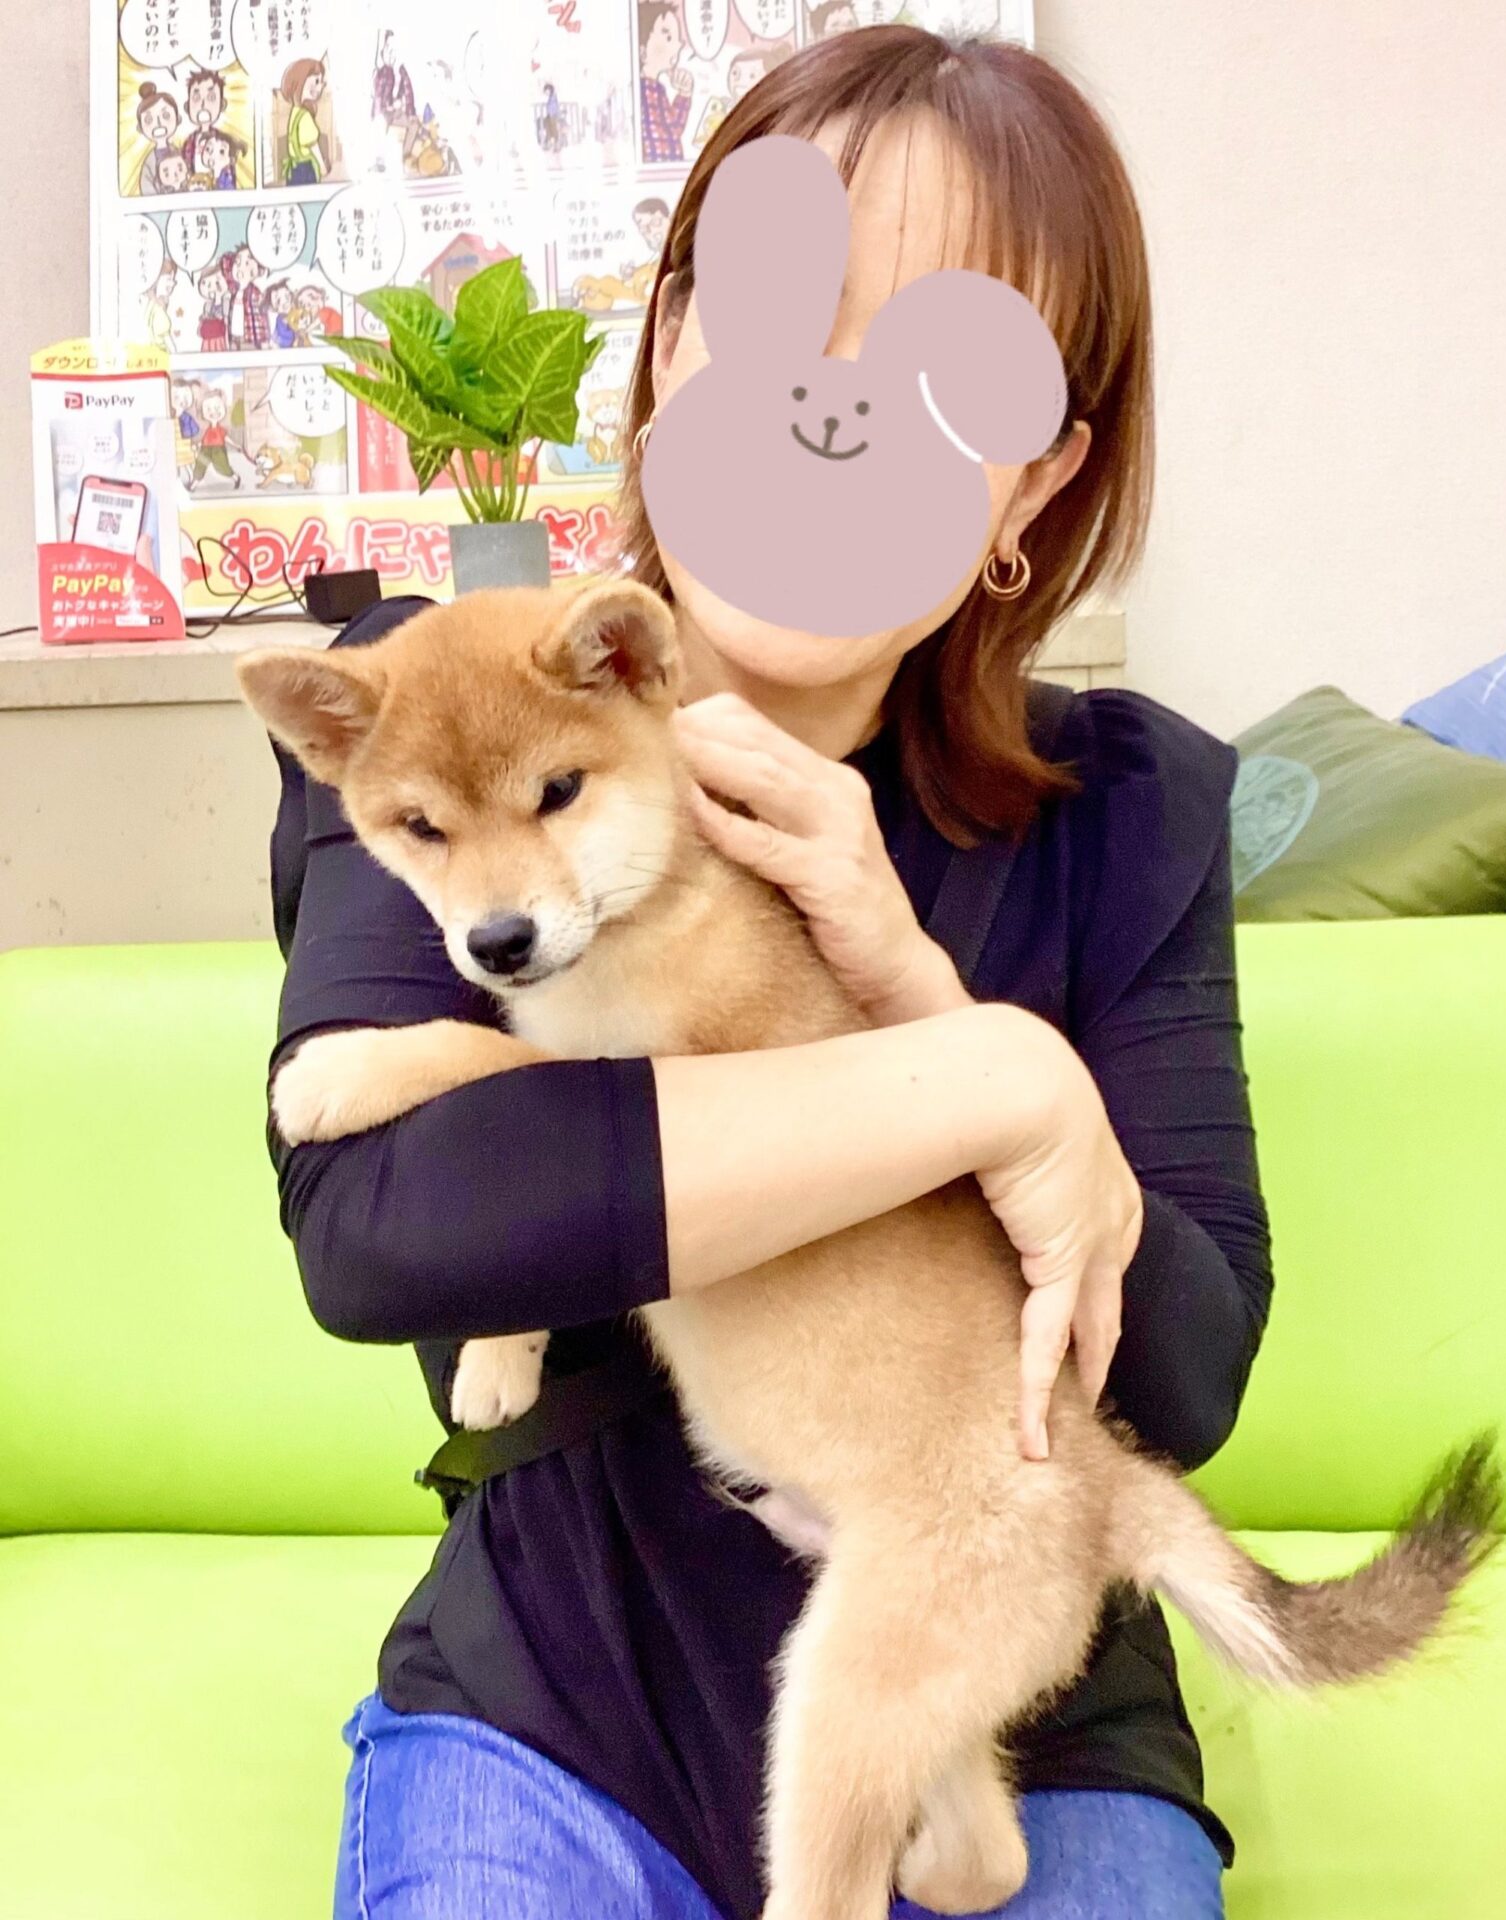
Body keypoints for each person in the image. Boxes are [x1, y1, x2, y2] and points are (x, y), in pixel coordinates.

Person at [270, 27, 1272, 1920]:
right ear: (670, 346)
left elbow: (1187, 1368)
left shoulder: (1132, 809)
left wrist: (917, 983)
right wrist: (993, 1089)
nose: (841, 409)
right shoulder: (436, 713)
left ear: (1036, 483)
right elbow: (386, 1233)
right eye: (782, 312)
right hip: (563, 1683)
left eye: (951, 376)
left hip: (1011, 1695)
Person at [638, 2, 693, 163]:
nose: (679, 45)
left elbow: (673, 127)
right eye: (669, 38)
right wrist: (684, 95)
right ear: (642, 51)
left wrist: (684, 94)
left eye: (677, 39)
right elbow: (671, 129)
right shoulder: (646, 91)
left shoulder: (656, 89)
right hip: (658, 166)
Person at [282, 58, 329, 185]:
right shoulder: (305, 116)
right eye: (316, 81)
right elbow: (313, 146)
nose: (320, 87)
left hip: (294, 168)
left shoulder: (295, 111)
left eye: (321, 82)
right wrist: (322, 167)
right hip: (305, 168)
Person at [133, 83, 180, 194]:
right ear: (140, 128)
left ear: (177, 118)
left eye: (166, 116)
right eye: (149, 120)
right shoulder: (149, 162)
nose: (158, 123)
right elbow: (146, 186)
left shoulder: (178, 152)